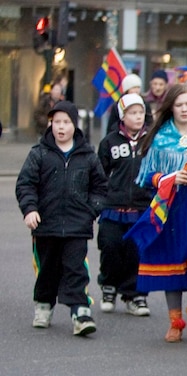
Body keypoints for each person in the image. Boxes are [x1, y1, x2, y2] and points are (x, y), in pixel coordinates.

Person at [124, 83, 187, 346]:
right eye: (179, 105)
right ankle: (175, 322)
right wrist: (169, 177)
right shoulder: (158, 139)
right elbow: (145, 177)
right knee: (173, 259)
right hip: (172, 204)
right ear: (170, 107)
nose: (184, 109)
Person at [16, 101, 108, 336]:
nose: (61, 127)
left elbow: (100, 187)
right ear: (51, 124)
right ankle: (44, 305)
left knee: (76, 269)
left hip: (78, 225)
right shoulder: (39, 153)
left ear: (74, 126)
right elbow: (26, 184)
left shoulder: (87, 155)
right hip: (45, 225)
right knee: (47, 269)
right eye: (56, 122)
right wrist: (30, 209)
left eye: (66, 122)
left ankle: (80, 312)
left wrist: (92, 210)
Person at [96, 94, 152, 317]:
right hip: (113, 205)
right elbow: (98, 174)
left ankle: (135, 295)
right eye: (132, 113)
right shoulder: (109, 142)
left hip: (140, 206)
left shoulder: (151, 140)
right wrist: (99, 199)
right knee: (110, 247)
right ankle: (108, 287)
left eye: (140, 112)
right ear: (122, 116)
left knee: (135, 252)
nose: (138, 117)